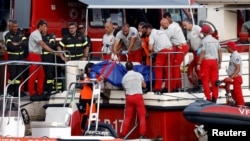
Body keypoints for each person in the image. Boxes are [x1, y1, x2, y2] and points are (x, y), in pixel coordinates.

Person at [27, 19, 55, 101]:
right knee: (33, 76)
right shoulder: (36, 34)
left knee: (41, 75)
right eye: (44, 26)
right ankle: (32, 94)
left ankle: (40, 92)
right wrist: (53, 51)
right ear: (40, 26)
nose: (45, 28)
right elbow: (43, 45)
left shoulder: (38, 34)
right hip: (34, 56)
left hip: (38, 56)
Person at [161, 13, 189, 92]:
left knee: (175, 66)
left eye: (163, 25)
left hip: (181, 47)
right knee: (172, 67)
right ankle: (173, 86)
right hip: (176, 47)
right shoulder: (170, 26)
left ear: (169, 19)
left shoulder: (173, 27)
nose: (162, 27)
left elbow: (164, 37)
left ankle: (177, 86)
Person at [144, 23, 173, 94]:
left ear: (148, 29)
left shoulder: (151, 35)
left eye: (146, 32)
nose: (146, 34)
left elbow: (150, 48)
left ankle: (157, 88)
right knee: (168, 70)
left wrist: (154, 51)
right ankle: (169, 87)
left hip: (162, 52)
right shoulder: (161, 31)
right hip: (171, 51)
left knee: (158, 70)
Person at [121, 61, 147, 139]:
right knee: (142, 116)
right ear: (133, 67)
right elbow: (144, 85)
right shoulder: (139, 75)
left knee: (128, 117)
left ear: (126, 68)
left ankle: (123, 134)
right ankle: (142, 134)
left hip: (129, 97)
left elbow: (124, 88)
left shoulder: (124, 78)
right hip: (138, 97)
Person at [197, 25, 222, 103]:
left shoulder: (204, 41)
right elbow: (220, 52)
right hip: (214, 61)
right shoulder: (216, 40)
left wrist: (199, 63)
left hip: (206, 61)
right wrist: (220, 62)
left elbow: (202, 52)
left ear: (204, 33)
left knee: (205, 80)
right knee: (215, 81)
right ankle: (215, 97)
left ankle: (208, 97)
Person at [5, 20, 27, 97]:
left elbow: (25, 43)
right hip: (13, 58)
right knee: (13, 75)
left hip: (20, 58)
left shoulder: (20, 34)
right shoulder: (8, 35)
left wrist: (17, 44)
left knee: (19, 75)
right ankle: (10, 91)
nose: (16, 28)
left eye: (16, 26)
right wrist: (19, 46)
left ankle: (17, 92)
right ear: (10, 27)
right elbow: (10, 47)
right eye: (14, 26)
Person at [182, 18, 203, 91]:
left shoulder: (197, 29)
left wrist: (202, 48)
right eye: (183, 26)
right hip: (194, 51)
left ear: (190, 24)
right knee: (197, 69)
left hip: (200, 51)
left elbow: (203, 38)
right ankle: (198, 84)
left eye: (185, 25)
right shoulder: (188, 32)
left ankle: (200, 85)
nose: (184, 27)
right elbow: (188, 42)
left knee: (199, 67)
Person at [224, 41, 245, 106]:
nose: (226, 49)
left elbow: (238, 69)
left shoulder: (235, 56)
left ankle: (242, 107)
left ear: (230, 47)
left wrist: (231, 77)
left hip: (236, 78)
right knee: (234, 94)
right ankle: (238, 106)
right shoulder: (233, 55)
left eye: (227, 47)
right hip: (234, 78)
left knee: (238, 95)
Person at [41, 27, 57, 96]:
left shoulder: (51, 36)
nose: (44, 30)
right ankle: (41, 90)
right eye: (43, 28)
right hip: (40, 58)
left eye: (45, 28)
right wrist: (46, 45)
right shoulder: (38, 37)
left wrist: (43, 45)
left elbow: (52, 45)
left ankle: (49, 90)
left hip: (49, 57)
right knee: (41, 75)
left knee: (49, 74)